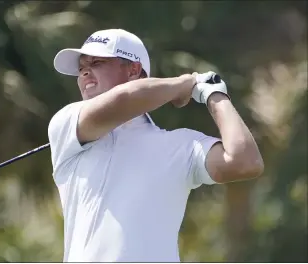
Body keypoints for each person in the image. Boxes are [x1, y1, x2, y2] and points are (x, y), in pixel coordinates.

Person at [48, 28, 264, 262]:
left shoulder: (180, 145)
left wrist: (215, 95)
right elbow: (125, 99)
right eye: (81, 68)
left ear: (133, 70)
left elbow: (245, 162)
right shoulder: (67, 124)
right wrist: (184, 84)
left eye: (97, 62)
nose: (85, 72)